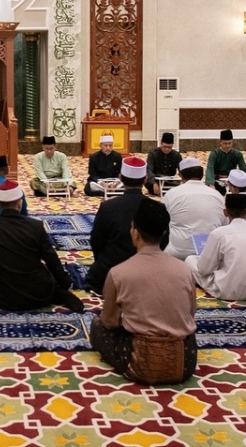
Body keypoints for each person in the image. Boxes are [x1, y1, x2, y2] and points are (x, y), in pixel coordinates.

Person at [90, 198, 198, 385]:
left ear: (135, 233)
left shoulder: (118, 273)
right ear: (164, 233)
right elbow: (190, 313)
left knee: (97, 326)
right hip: (184, 363)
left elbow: (110, 322)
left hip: (140, 361)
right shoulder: (184, 269)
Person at [0, 180, 84, 313]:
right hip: (38, 295)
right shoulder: (35, 226)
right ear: (20, 203)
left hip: (2, 297)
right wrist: (65, 283)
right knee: (47, 271)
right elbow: (51, 259)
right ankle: (60, 293)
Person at [186, 193, 246, 301]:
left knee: (190, 260)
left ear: (225, 212)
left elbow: (203, 270)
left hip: (228, 291)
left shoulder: (219, 233)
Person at [87, 156, 149, 294]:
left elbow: (96, 241)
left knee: (94, 278)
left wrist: (102, 262)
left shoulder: (108, 207)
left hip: (111, 269)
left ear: (120, 178)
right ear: (145, 179)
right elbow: (163, 241)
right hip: (148, 271)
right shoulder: (156, 207)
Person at [162, 158, 226, 260]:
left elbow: (162, 223)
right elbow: (224, 224)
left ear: (181, 175)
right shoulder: (217, 195)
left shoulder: (171, 194)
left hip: (178, 252)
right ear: (201, 174)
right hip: (210, 252)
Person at [144, 131, 182, 196]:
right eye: (165, 146)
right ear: (161, 144)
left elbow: (182, 169)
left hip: (170, 181)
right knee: (146, 181)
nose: (167, 149)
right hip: (155, 180)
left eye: (169, 147)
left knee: (178, 186)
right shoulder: (153, 154)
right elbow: (149, 170)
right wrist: (153, 183)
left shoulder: (176, 155)